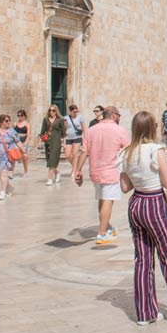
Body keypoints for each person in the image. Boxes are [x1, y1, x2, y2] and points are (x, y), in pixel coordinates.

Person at [117, 111, 167, 327]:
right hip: (154, 203)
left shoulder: (126, 153)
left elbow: (125, 187)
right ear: (152, 128)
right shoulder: (156, 150)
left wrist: (138, 177)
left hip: (136, 204)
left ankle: (145, 312)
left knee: (142, 260)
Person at [74, 106, 130, 244]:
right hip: (111, 171)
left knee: (102, 198)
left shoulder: (91, 131)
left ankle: (107, 226)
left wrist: (78, 170)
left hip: (95, 171)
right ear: (114, 116)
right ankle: (102, 233)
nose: (119, 118)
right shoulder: (120, 130)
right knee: (108, 200)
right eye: (119, 116)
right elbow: (129, 151)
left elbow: (84, 152)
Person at [0, 114, 23, 200]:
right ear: (0, 122)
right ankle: (9, 187)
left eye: (9, 120)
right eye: (6, 121)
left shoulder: (11, 131)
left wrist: (23, 151)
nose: (8, 122)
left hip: (7, 156)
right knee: (0, 173)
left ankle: (2, 192)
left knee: (3, 173)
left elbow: (18, 141)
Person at [39, 104, 66, 185]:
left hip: (56, 141)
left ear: (56, 111)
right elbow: (42, 131)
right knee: (49, 160)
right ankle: (57, 173)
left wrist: (64, 143)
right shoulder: (45, 119)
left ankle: (50, 179)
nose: (51, 112)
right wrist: (40, 141)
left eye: (53, 110)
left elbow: (64, 133)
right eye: (50, 110)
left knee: (52, 159)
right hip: (48, 142)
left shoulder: (60, 120)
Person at [63, 104, 85, 175]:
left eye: (76, 111)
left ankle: (74, 170)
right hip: (69, 138)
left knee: (75, 154)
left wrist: (85, 137)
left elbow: (84, 127)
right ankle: (76, 166)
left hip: (77, 137)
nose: (75, 113)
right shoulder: (66, 118)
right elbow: (64, 129)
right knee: (67, 155)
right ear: (70, 111)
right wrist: (63, 141)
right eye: (74, 112)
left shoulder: (80, 117)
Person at [13, 110, 31, 178]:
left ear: (24, 116)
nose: (20, 117)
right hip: (17, 140)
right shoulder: (15, 124)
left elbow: (28, 134)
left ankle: (26, 172)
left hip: (23, 140)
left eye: (21, 115)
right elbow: (12, 133)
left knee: (24, 157)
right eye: (18, 115)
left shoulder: (27, 124)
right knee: (14, 156)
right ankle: (12, 172)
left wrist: (26, 142)